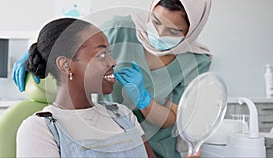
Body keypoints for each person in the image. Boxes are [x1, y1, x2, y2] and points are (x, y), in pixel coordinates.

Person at [13, 0, 212, 157]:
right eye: (156, 22)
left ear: (190, 31)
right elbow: (74, 37)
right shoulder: (42, 129)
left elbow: (170, 118)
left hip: (158, 144)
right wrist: (39, 49)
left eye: (173, 31)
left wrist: (144, 99)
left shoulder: (124, 116)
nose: (159, 34)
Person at [16, 18, 155, 157]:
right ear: (66, 65)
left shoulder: (123, 115)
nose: (113, 62)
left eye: (109, 53)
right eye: (101, 55)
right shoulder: (39, 129)